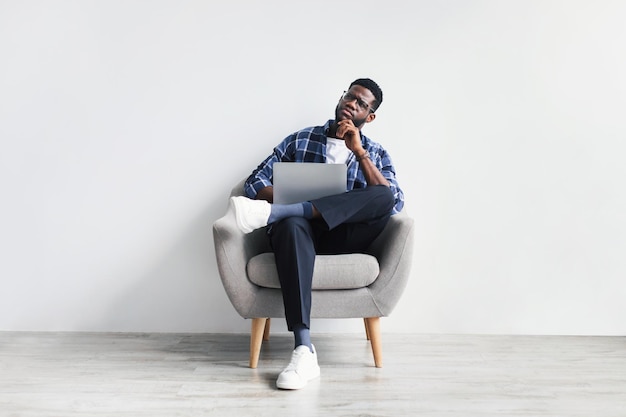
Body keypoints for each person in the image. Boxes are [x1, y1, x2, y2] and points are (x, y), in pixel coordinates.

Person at [230, 78, 404, 390]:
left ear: (370, 116)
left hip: (344, 238)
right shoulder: (301, 139)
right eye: (350, 97)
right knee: (292, 223)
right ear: (342, 98)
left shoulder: (375, 152)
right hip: (299, 236)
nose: (352, 104)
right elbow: (254, 182)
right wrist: (291, 198)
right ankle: (303, 349)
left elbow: (394, 202)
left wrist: (359, 151)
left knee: (384, 195)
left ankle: (285, 210)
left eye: (362, 103)